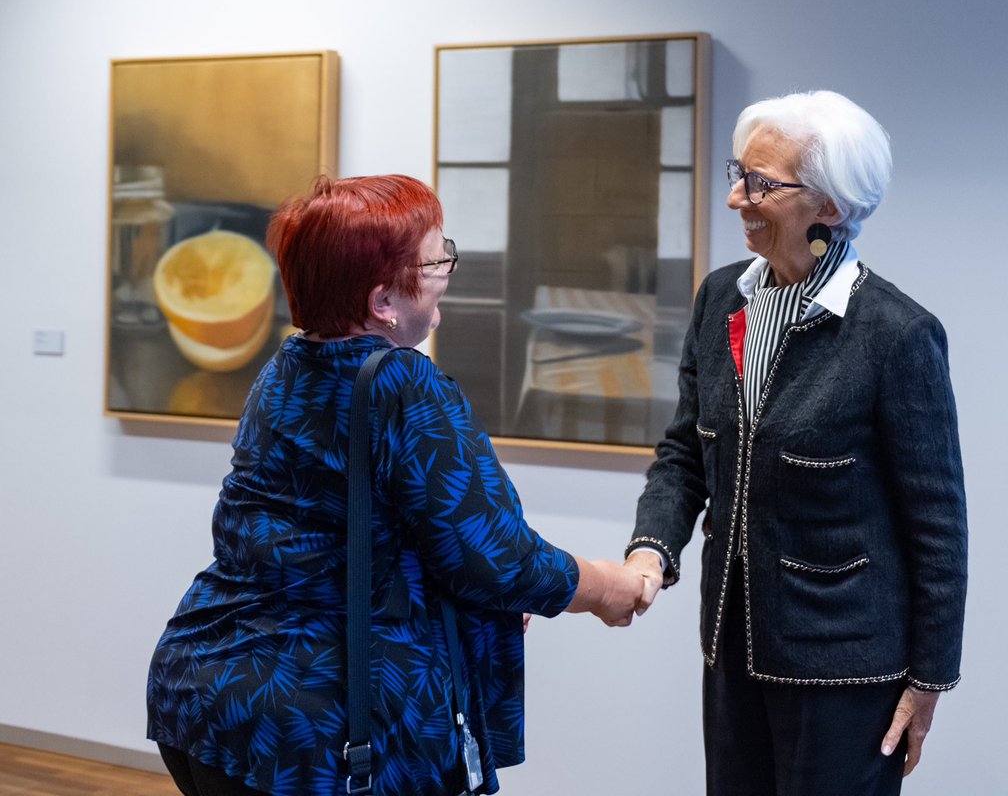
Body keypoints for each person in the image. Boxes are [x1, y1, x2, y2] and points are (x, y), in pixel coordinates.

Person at [146, 174, 647, 796]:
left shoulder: (284, 369)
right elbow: (492, 559)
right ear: (383, 301)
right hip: (323, 727)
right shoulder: (404, 384)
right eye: (436, 259)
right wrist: (604, 586)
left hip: (203, 690)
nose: (448, 271)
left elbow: (347, 535)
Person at [624, 91, 968, 795]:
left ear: (831, 208)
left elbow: (938, 527)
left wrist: (930, 677)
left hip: (847, 668)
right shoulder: (721, 298)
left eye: (761, 183)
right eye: (737, 174)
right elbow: (688, 449)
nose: (735, 199)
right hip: (732, 644)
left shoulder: (896, 334)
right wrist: (651, 549)